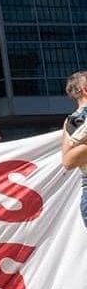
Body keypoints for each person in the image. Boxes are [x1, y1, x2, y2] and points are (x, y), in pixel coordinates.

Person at [61, 71, 87, 227]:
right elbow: (68, 161)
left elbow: (67, 160)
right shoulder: (73, 120)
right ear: (85, 88)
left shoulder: (69, 121)